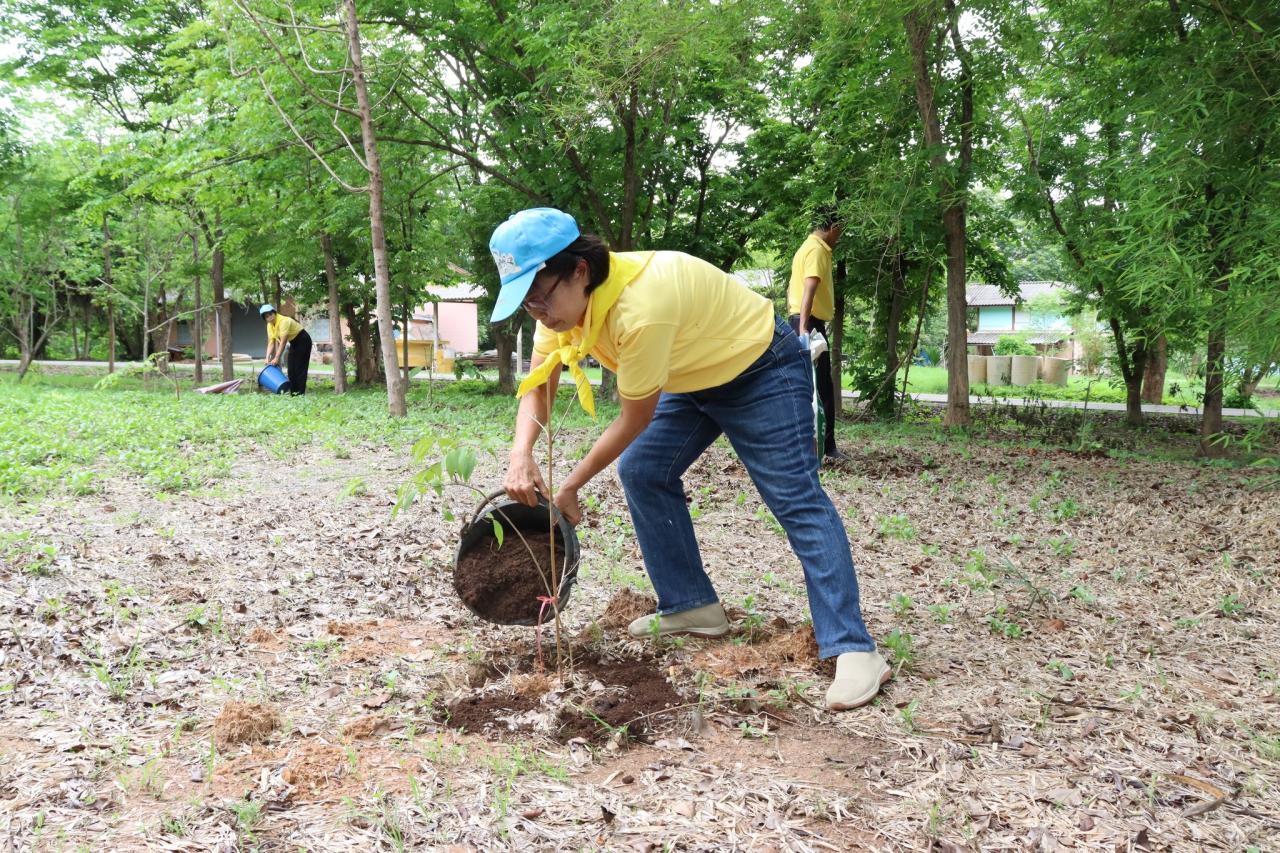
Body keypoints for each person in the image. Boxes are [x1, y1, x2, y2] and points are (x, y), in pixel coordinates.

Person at [492, 207, 889, 711]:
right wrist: (520, 453)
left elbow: (634, 418)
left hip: (759, 367)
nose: (538, 312)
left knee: (794, 497)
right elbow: (538, 386)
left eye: (540, 297)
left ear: (579, 270)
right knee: (643, 470)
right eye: (527, 305)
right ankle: (693, 605)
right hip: (693, 374)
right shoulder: (557, 310)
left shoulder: (641, 306)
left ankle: (854, 647)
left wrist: (569, 485)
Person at [788, 207, 844, 461]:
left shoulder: (805, 247)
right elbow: (809, 289)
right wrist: (804, 331)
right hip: (807, 323)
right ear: (833, 228)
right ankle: (826, 447)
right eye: (840, 231)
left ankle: (806, 444)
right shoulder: (818, 250)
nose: (839, 236)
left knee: (805, 386)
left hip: (802, 320)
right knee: (821, 387)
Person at [260, 304, 312, 395]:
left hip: (303, 339)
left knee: (300, 368)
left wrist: (276, 358)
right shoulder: (269, 325)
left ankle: (300, 394)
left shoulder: (284, 321)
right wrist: (267, 357)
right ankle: (293, 394)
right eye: (267, 316)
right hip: (294, 342)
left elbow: (283, 342)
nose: (270, 317)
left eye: (271, 314)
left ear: (274, 313)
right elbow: (271, 342)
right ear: (265, 319)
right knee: (291, 369)